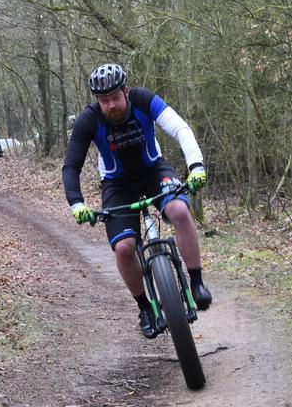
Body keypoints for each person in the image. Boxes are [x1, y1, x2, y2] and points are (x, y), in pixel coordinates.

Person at [63, 63, 211, 339]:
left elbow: (180, 128)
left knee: (178, 210)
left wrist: (196, 166)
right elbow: (71, 166)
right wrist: (77, 204)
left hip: (153, 171)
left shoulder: (143, 99)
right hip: (117, 185)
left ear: (126, 92)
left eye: (115, 98)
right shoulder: (89, 119)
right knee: (123, 247)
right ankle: (145, 307)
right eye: (103, 101)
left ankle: (197, 283)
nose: (110, 106)